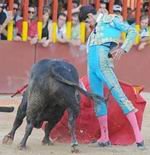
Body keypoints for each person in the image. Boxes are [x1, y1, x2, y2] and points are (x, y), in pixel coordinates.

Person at [79, 4, 144, 149]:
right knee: (98, 100)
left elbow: (132, 31)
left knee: (120, 97)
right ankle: (104, 137)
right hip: (92, 68)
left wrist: (123, 48)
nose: (87, 24)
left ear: (89, 16)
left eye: (86, 21)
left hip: (103, 65)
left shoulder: (111, 19)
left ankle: (139, 139)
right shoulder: (94, 31)